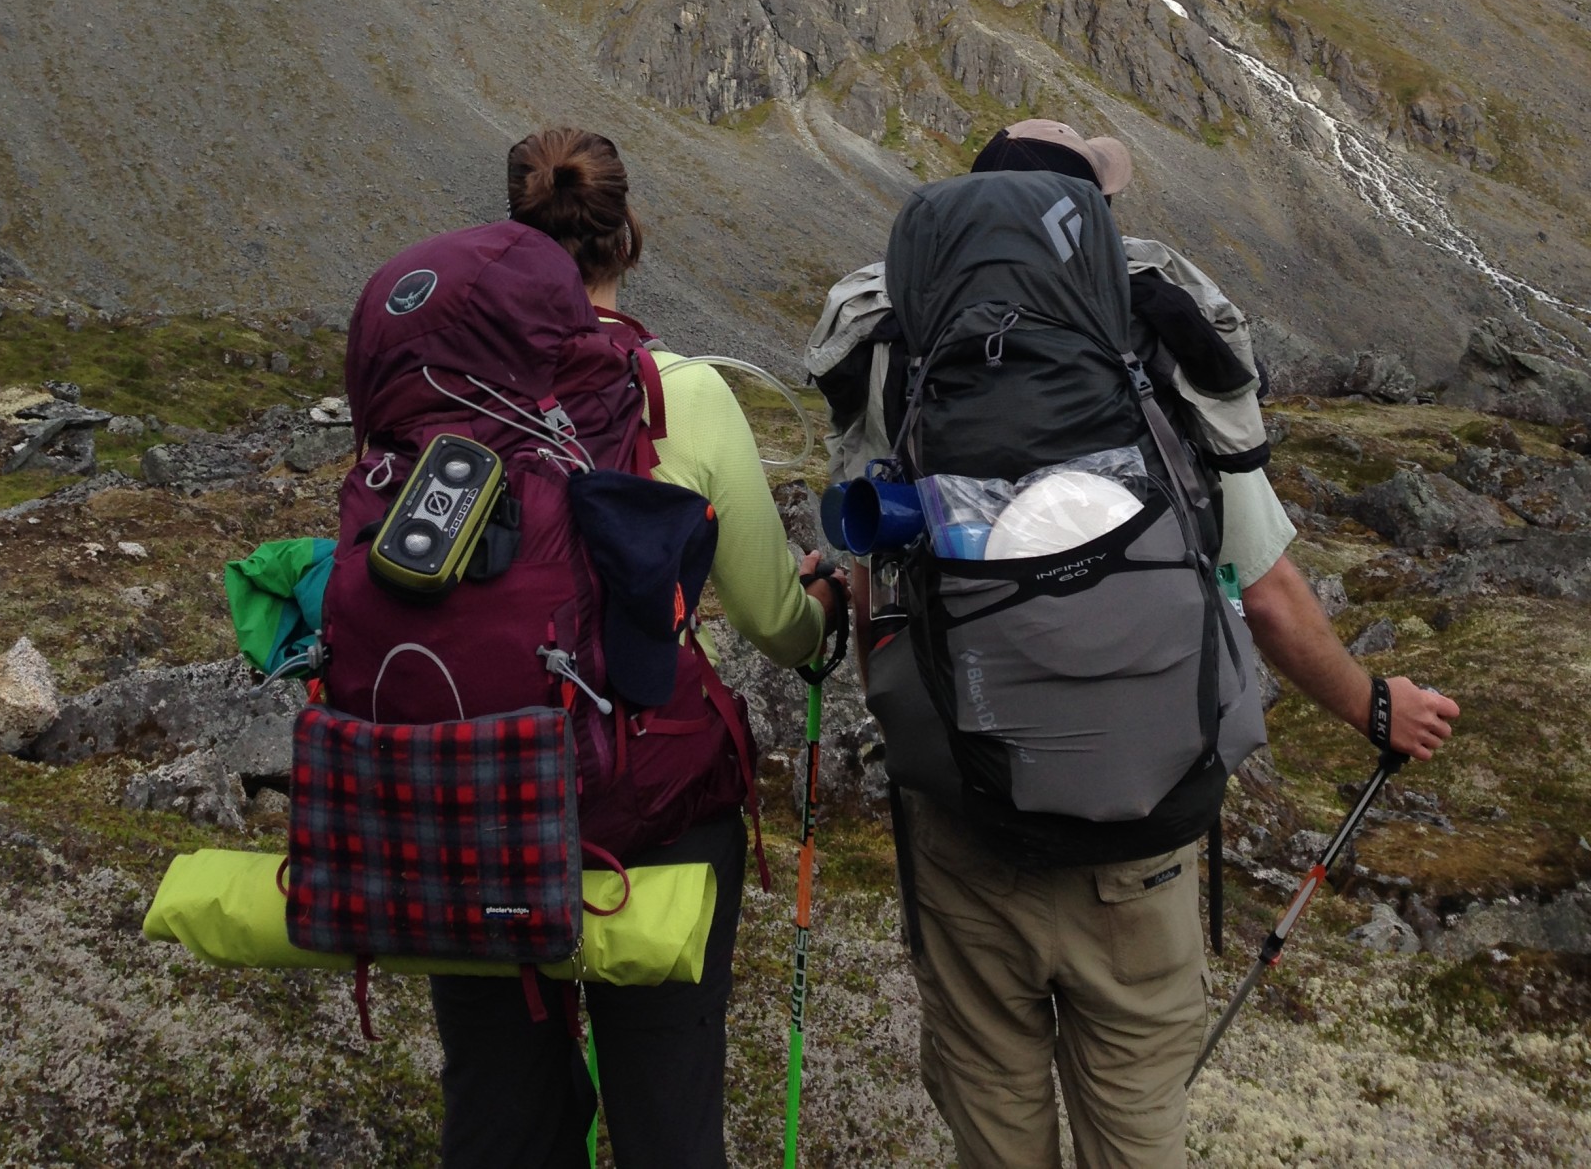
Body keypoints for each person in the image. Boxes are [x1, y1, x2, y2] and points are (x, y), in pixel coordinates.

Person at [808, 118, 1458, 1169]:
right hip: (1142, 832)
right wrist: (1372, 704)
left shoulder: (902, 354)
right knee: (1138, 1122)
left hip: (967, 823)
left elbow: (877, 580)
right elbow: (1268, 596)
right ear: (1094, 221)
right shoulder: (1157, 348)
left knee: (994, 1116)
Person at [430, 126, 844, 1169]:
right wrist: (821, 616)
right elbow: (771, 618)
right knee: (667, 1117)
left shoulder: (445, 390)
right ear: (628, 238)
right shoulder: (683, 393)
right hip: (650, 802)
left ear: (513, 239)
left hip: (476, 788)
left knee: (498, 1114)